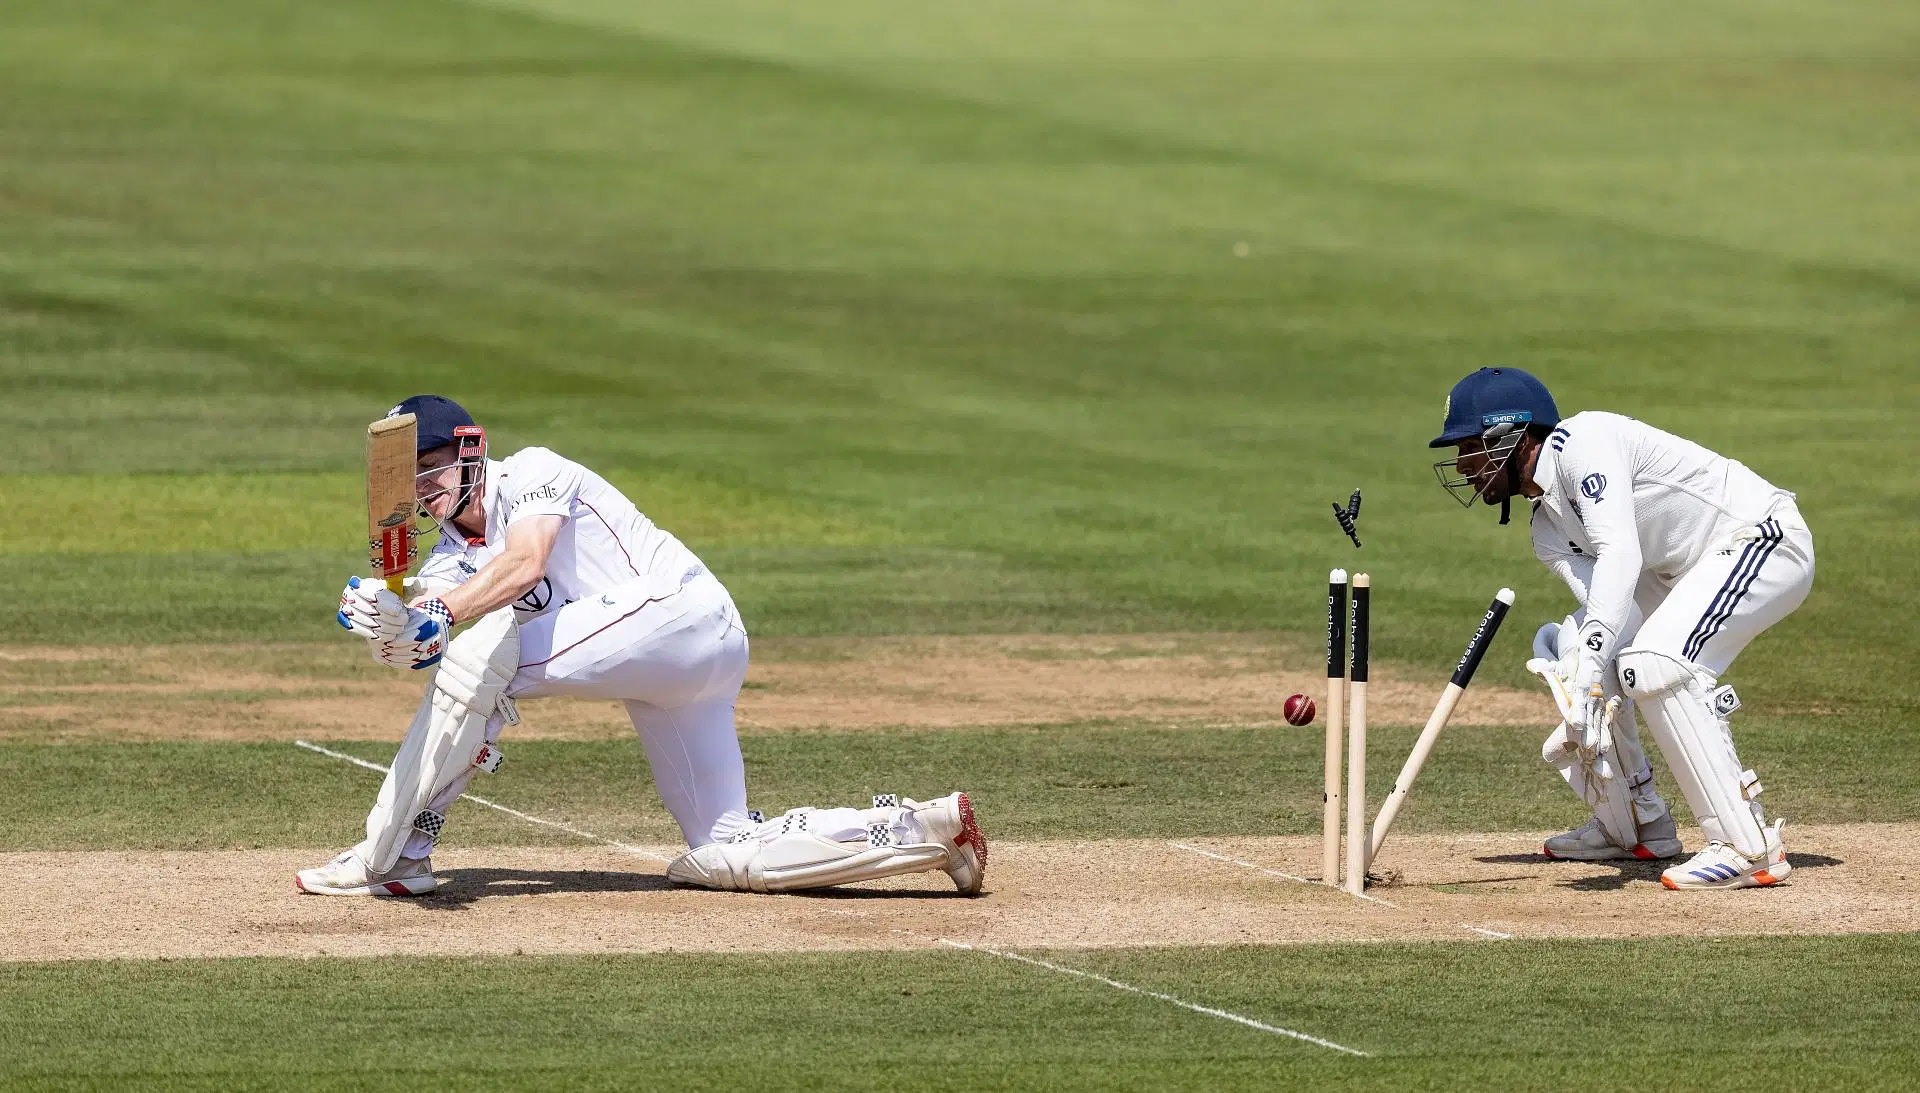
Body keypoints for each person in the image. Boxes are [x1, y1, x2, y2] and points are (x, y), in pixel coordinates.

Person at [297, 395, 986, 897]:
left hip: (683, 611)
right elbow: (425, 642)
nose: (424, 486)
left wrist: (440, 616)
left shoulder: (534, 472)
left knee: (486, 660)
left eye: (434, 465)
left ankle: (388, 855)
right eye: (413, 477)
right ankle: (921, 829)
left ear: (472, 449)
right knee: (722, 854)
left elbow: (525, 563)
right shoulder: (449, 558)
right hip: (670, 672)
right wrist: (385, 619)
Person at [1430, 367, 1813, 889]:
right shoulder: (1546, 529)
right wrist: (1582, 671)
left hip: (1760, 538)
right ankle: (1635, 824)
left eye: (1469, 447)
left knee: (1654, 661)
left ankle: (1747, 847)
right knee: (1582, 657)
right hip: (1685, 570)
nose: (1462, 466)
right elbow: (1617, 617)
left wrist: (1592, 665)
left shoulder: (1585, 441)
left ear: (1512, 435)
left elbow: (1620, 552)